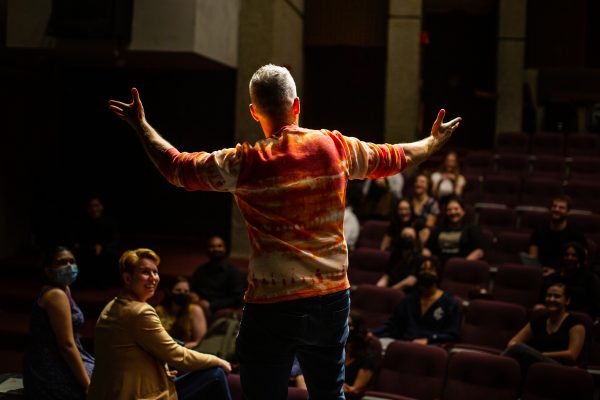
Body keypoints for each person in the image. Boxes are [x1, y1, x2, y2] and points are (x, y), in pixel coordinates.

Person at [108, 64, 461, 399]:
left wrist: (141, 125)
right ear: (296, 105)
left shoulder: (243, 163)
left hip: (270, 307)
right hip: (330, 299)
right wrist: (432, 143)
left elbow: (176, 168)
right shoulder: (334, 147)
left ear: (254, 111)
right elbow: (394, 157)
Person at [87, 248, 232, 400]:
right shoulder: (140, 312)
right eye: (145, 272)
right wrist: (218, 360)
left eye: (155, 272)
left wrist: (160, 371)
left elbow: (130, 357)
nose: (153, 278)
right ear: (127, 278)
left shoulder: (112, 306)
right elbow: (178, 356)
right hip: (136, 396)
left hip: (110, 393)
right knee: (216, 373)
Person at [23, 246, 94, 400]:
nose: (69, 266)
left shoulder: (64, 288)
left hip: (58, 358)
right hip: (50, 365)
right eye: (62, 262)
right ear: (48, 270)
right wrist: (87, 385)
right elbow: (66, 346)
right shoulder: (55, 295)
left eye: (72, 261)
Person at [376, 256, 462, 345]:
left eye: (431, 270)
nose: (426, 273)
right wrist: (372, 333)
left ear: (438, 274)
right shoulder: (408, 301)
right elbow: (391, 326)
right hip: (406, 344)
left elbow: (453, 334)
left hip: (432, 347)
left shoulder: (449, 303)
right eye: (423, 270)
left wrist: (429, 340)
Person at [504, 283, 586, 372]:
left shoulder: (575, 324)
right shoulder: (539, 320)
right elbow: (512, 343)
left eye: (557, 296)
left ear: (567, 301)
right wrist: (533, 355)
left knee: (518, 349)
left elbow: (572, 355)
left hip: (562, 368)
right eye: (548, 295)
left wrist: (541, 354)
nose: (551, 299)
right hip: (537, 365)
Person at [537, 241, 600, 317]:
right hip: (552, 315)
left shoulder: (590, 278)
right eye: (566, 255)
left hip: (578, 317)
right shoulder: (552, 277)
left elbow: (594, 306)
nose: (570, 258)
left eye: (574, 255)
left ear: (580, 258)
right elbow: (542, 300)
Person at [528, 195, 587, 270]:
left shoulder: (577, 236)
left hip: (566, 275)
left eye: (561, 208)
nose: (556, 209)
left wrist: (556, 272)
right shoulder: (538, 233)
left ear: (568, 212)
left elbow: (581, 263)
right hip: (541, 273)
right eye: (554, 206)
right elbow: (532, 261)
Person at [424, 195, 486, 266]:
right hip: (439, 266)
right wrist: (427, 260)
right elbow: (427, 249)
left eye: (456, 209)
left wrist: (462, 264)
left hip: (462, 266)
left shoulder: (472, 229)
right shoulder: (439, 229)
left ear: (463, 211)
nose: (453, 212)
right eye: (449, 210)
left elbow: (480, 251)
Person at [190, 235, 244, 315]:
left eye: (219, 246)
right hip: (200, 309)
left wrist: (211, 305)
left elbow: (237, 299)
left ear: (225, 249)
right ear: (207, 250)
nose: (216, 249)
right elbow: (192, 289)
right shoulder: (200, 270)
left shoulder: (233, 272)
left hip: (222, 312)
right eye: (212, 246)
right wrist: (193, 295)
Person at [72, 197, 119, 287]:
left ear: (101, 207)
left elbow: (114, 240)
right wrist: (91, 248)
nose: (94, 209)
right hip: (86, 251)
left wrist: (102, 247)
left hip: (105, 253)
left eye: (96, 206)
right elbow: (77, 242)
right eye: (91, 206)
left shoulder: (109, 222)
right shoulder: (81, 223)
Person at [156, 276, 208, 348]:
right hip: (162, 350)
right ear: (170, 292)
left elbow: (200, 342)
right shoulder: (159, 310)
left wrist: (178, 347)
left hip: (186, 351)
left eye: (186, 291)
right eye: (178, 290)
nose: (182, 294)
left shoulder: (195, 310)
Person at [343, 311, 379, 399]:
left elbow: (355, 390)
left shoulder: (367, 360)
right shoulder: (335, 352)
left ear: (357, 330)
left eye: (348, 325)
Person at [376, 225, 422, 291]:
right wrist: (377, 289)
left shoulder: (419, 258)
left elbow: (410, 281)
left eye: (410, 237)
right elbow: (386, 277)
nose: (407, 239)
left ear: (415, 240)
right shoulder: (395, 255)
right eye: (404, 236)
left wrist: (390, 291)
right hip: (391, 290)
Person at [409, 174, 440, 245]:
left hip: (423, 234)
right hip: (407, 231)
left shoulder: (432, 203)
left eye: (422, 182)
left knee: (426, 231)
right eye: (417, 181)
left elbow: (429, 225)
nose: (418, 184)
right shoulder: (409, 201)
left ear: (428, 186)